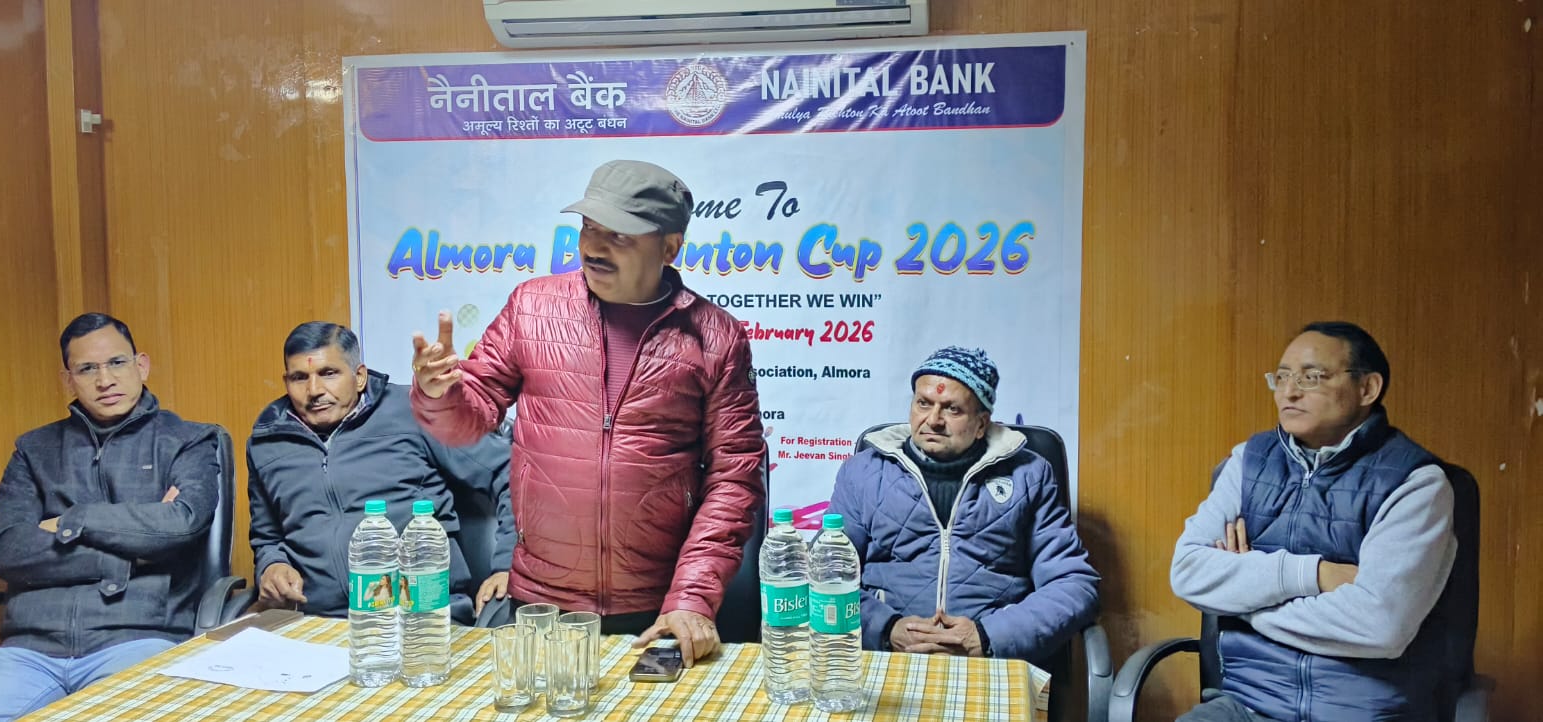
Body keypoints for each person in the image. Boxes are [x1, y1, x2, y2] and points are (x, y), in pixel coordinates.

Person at [409, 159, 765, 666]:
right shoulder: (532, 308)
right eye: (589, 228)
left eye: (619, 235)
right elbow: (471, 416)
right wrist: (440, 394)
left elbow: (735, 478)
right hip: (540, 605)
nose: (595, 247)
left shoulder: (715, 337)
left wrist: (691, 597)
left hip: (656, 613)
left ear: (669, 248)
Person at [1170, 322, 1464, 722]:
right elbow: (1187, 573)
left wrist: (1243, 603)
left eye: (1311, 377)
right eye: (1282, 377)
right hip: (1246, 704)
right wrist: (1315, 574)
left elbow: (1379, 626)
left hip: (1365, 712)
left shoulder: (1414, 482)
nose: (1289, 392)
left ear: (1367, 388)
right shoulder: (1248, 461)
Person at [0, 313, 221, 721]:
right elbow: (8, 549)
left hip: (137, 639)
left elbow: (181, 525)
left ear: (141, 366)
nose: (104, 380)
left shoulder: (188, 440)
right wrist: (128, 554)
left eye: (117, 363)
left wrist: (73, 521)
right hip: (29, 650)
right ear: (68, 380)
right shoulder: (33, 450)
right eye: (87, 369)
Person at [827, 346, 1099, 667]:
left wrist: (986, 637)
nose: (933, 420)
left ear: (982, 423)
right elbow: (826, 576)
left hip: (991, 664)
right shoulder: (862, 473)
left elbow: (1074, 584)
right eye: (923, 403)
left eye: (952, 409)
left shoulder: (1029, 476)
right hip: (887, 659)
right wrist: (886, 629)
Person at [247, 322, 513, 624]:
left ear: (359, 376)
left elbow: (512, 471)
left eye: (329, 373)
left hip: (422, 616)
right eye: (299, 378)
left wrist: (509, 565)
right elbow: (267, 537)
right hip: (317, 622)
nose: (314, 391)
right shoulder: (267, 441)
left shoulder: (418, 412)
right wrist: (271, 566)